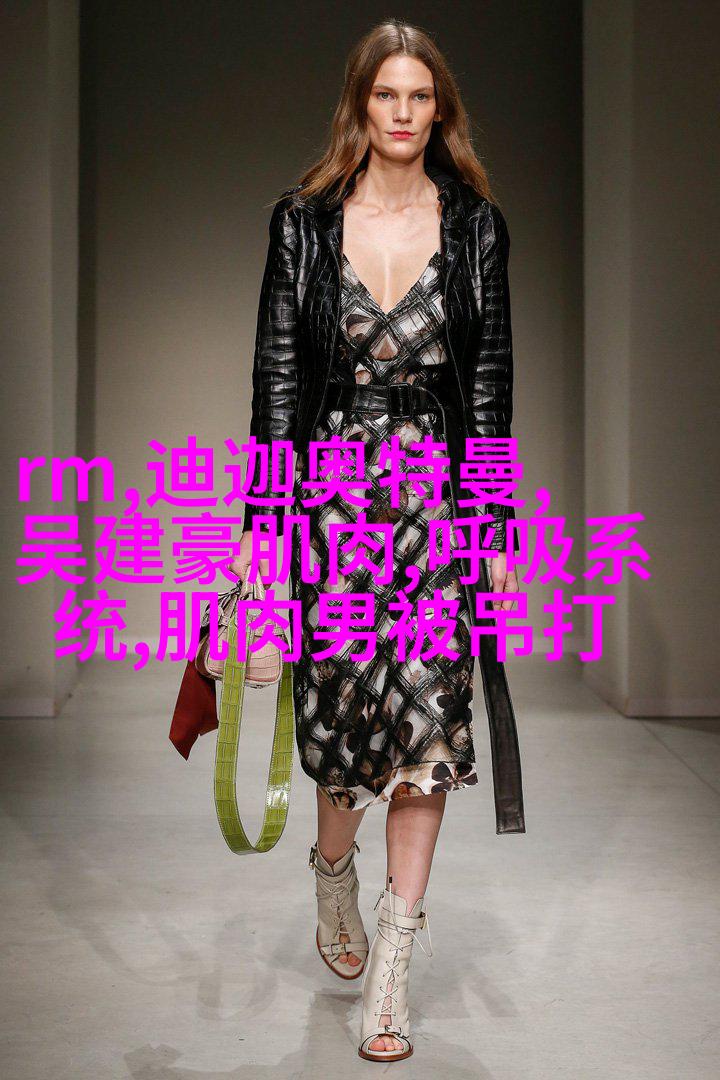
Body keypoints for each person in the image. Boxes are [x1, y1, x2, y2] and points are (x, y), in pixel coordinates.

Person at [230, 17, 526, 1063]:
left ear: (440, 110)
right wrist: (263, 534)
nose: (402, 113)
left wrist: (494, 529)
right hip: (331, 511)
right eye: (385, 95)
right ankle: (331, 872)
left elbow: (489, 387)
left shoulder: (476, 227)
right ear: (361, 105)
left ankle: (392, 972)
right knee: (344, 737)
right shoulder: (303, 223)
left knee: (428, 740)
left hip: (436, 512)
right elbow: (276, 383)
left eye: (420, 96)